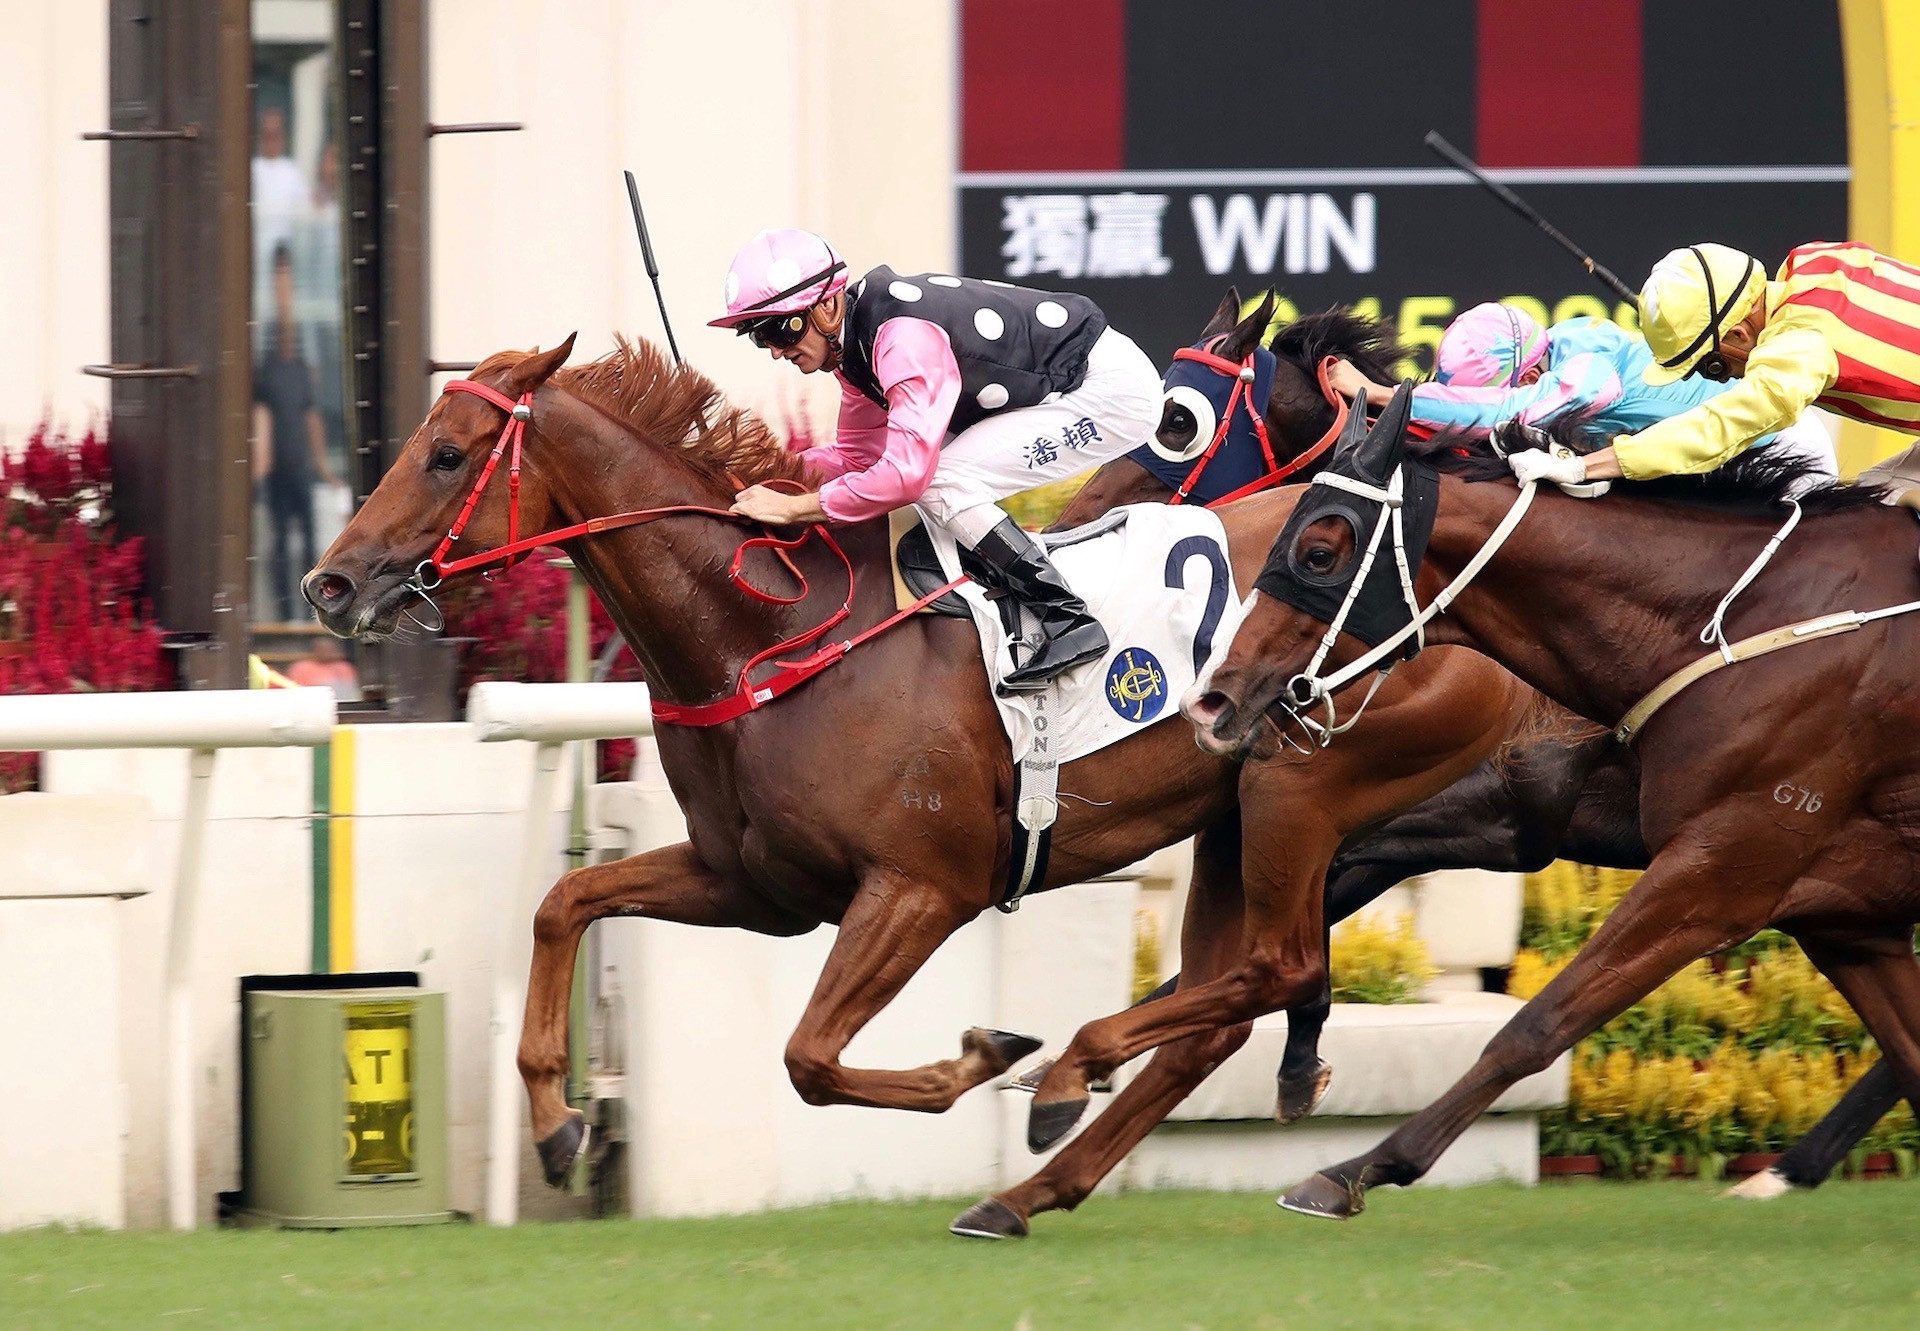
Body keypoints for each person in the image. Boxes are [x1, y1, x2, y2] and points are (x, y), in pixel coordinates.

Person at [712, 228, 1161, 690]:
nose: (775, 350)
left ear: (827, 306)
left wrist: (793, 507)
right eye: (758, 336)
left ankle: (1066, 618)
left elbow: (905, 476)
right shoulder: (856, 351)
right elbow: (857, 457)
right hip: (1072, 387)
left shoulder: (900, 338)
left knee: (938, 478)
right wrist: (760, 472)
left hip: (1107, 391)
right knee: (934, 476)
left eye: (779, 329)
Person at [1506, 242, 1920, 489]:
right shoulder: (1813, 262)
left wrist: (1581, 466)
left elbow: (1717, 429)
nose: (1716, 379)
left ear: (1739, 335)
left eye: (1713, 367)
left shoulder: (1800, 350)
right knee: (1860, 532)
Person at [1327, 300, 1835, 477]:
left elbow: (1508, 408)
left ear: (1528, 377)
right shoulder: (1565, 346)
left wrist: (1383, 393)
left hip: (1780, 451)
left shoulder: (1585, 371)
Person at [253, 243, 338, 622]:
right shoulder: (267, 362)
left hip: (299, 466)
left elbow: (311, 416)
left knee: (306, 545)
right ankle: (287, 614)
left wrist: (322, 468)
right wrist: (260, 466)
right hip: (278, 471)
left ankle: (307, 614)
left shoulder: (302, 363)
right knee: (281, 544)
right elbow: (262, 417)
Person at [286, 635, 362, 700]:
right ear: (314, 650)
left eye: (330, 649)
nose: (327, 652)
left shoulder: (344, 667)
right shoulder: (301, 668)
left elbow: (353, 690)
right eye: (323, 649)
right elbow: (294, 692)